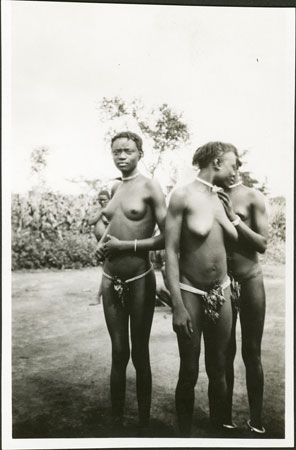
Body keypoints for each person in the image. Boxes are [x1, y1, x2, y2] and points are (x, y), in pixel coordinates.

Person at [165, 141, 239, 437]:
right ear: (217, 162)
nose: (235, 170)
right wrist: (178, 305)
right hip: (191, 293)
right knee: (189, 370)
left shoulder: (221, 200)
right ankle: (184, 437)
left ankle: (218, 432)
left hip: (221, 292)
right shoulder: (182, 195)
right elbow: (170, 251)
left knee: (219, 367)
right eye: (233, 164)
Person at [95, 131, 167, 435]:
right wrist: (101, 241)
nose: (121, 156)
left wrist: (126, 246)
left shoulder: (150, 187)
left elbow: (167, 236)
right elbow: (103, 222)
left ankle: (143, 423)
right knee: (118, 351)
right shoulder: (113, 187)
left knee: (139, 352)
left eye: (127, 151)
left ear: (140, 153)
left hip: (139, 278)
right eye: (116, 151)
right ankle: (115, 422)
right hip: (111, 278)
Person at [216, 168, 268, 434]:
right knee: (224, 353)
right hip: (221, 285)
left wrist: (234, 219)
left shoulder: (252, 196)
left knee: (252, 352)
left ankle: (256, 420)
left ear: (235, 165)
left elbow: (261, 243)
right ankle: (225, 419)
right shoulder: (209, 196)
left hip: (250, 281)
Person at [87, 189, 111, 305]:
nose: (101, 202)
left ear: (109, 199)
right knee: (106, 270)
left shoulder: (112, 209)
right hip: (101, 245)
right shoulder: (101, 211)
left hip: (109, 244)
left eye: (104, 200)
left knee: (107, 270)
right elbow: (90, 221)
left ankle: (98, 297)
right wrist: (102, 211)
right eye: (100, 200)